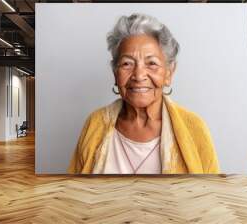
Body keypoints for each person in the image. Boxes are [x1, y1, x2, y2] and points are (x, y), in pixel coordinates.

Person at [68, 13, 219, 174]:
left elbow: (211, 194)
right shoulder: (95, 124)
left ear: (169, 73)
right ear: (115, 73)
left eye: (151, 63)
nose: (139, 76)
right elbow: (73, 191)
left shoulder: (194, 129)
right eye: (127, 64)